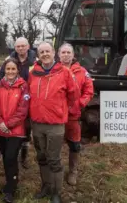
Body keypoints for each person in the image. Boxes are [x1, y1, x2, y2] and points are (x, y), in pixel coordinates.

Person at [29, 42, 77, 203]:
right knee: (41, 156)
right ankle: (46, 186)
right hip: (37, 123)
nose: (44, 54)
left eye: (47, 51)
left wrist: (60, 108)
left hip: (55, 124)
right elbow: (28, 94)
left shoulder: (64, 72)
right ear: (38, 54)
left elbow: (73, 95)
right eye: (41, 52)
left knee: (54, 158)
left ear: (53, 52)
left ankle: (56, 192)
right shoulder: (33, 72)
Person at [0, 37, 37, 169]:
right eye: (18, 46)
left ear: (28, 46)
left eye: (23, 46)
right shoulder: (9, 60)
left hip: (27, 98)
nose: (21, 48)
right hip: (9, 96)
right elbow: (1, 76)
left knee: (25, 130)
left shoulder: (34, 61)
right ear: (15, 48)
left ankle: (23, 157)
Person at [0, 58, 30, 203]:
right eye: (8, 69)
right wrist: (0, 122)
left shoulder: (23, 86)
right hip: (0, 129)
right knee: (5, 156)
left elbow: (23, 109)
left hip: (16, 130)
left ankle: (11, 189)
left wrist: (9, 124)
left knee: (10, 157)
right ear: (4, 70)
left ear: (18, 70)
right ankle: (10, 181)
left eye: (13, 69)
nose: (10, 72)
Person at [58, 43, 94, 186]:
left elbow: (89, 91)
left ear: (73, 55)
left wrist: (80, 103)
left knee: (74, 144)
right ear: (59, 54)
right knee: (56, 145)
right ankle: (57, 171)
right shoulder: (54, 70)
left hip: (73, 116)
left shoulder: (82, 71)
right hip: (57, 116)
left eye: (68, 52)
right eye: (63, 52)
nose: (66, 55)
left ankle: (73, 171)